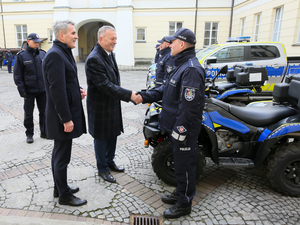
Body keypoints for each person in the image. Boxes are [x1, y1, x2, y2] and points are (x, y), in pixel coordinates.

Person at [137, 28, 206, 219]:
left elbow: (189, 108)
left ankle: (184, 204)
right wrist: (142, 96)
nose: (170, 45)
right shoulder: (180, 65)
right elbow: (164, 91)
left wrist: (180, 131)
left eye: (173, 42)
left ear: (182, 44)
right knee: (180, 164)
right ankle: (180, 192)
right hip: (174, 126)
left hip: (182, 130)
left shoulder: (191, 69)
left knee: (185, 165)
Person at [85, 26, 142, 183]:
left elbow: (114, 81)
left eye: (116, 38)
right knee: (102, 138)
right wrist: (129, 95)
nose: (115, 42)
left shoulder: (110, 54)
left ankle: (110, 161)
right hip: (100, 107)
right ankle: (102, 168)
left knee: (112, 135)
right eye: (112, 39)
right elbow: (104, 85)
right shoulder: (94, 59)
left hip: (112, 103)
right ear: (101, 39)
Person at [42, 20, 87, 206]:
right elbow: (57, 91)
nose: (76, 36)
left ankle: (59, 187)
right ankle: (65, 196)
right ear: (62, 36)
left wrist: (78, 89)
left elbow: (67, 81)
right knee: (62, 156)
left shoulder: (62, 52)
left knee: (59, 154)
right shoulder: (55, 55)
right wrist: (66, 119)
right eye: (73, 33)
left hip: (63, 114)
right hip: (60, 117)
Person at [13, 33, 47, 143]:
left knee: (44, 112)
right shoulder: (21, 56)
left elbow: (47, 73)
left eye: (38, 42)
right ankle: (29, 134)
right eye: (35, 41)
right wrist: (22, 90)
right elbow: (17, 75)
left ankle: (44, 131)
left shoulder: (43, 54)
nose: (37, 43)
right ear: (28, 41)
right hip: (29, 91)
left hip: (42, 90)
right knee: (28, 114)